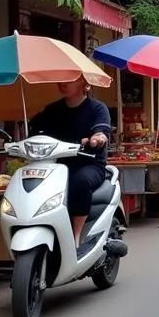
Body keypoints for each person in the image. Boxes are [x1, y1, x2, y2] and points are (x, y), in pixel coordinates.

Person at [29, 79, 111, 243]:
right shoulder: (53, 110)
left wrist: (97, 138)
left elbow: (101, 131)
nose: (62, 83)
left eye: (69, 80)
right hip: (56, 165)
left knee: (79, 182)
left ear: (83, 83)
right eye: (61, 80)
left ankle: (76, 237)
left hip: (90, 164)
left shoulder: (98, 108)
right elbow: (34, 129)